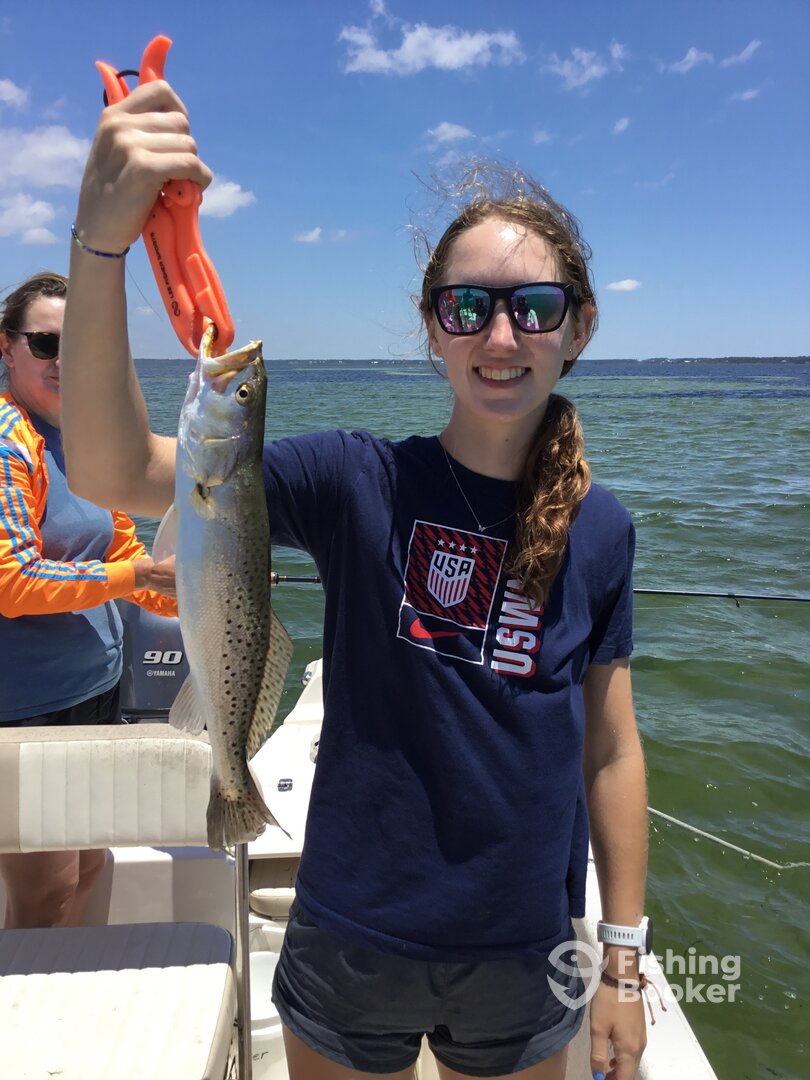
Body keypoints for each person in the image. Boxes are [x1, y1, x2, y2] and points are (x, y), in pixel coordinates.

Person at [60, 81, 649, 1080]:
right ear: (433, 327)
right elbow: (114, 469)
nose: (501, 336)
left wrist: (622, 965)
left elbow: (611, 751)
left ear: (578, 327)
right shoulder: (352, 478)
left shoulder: (603, 529)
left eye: (535, 308)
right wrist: (102, 246)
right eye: (467, 306)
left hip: (523, 948)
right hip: (352, 931)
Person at [0, 270, 177, 930]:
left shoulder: (83, 439)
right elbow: (13, 582)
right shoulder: (8, 439)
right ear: (6, 347)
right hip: (27, 710)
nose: (63, 360)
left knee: (92, 866)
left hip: (96, 691)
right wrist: (136, 577)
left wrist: (186, 595)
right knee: (45, 893)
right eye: (46, 344)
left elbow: (121, 540)